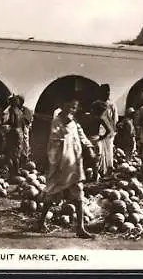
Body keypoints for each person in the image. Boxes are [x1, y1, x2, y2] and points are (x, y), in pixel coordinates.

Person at [37, 93, 96, 239]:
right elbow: (55, 140)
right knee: (51, 194)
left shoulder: (74, 122)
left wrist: (89, 147)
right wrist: (66, 125)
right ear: (63, 106)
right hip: (60, 165)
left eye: (74, 107)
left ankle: (80, 228)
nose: (71, 109)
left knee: (79, 194)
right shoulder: (57, 121)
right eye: (69, 106)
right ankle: (40, 222)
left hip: (74, 165)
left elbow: (81, 135)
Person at [80, 100, 112, 182]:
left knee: (85, 158)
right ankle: (94, 178)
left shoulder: (85, 117)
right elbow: (109, 131)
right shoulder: (101, 119)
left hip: (86, 140)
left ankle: (84, 177)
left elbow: (81, 128)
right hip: (96, 140)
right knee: (96, 161)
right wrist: (101, 137)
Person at [98, 84, 118, 174]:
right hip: (100, 131)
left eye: (108, 92)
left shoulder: (112, 104)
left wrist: (113, 130)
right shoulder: (98, 104)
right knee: (101, 150)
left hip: (110, 131)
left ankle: (109, 168)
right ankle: (102, 169)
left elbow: (115, 119)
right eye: (105, 92)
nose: (107, 94)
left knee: (109, 149)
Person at [4, 95, 25, 176]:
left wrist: (6, 124)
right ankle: (17, 170)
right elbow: (23, 124)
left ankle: (13, 172)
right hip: (20, 133)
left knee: (11, 152)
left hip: (14, 132)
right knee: (18, 152)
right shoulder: (20, 111)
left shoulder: (12, 110)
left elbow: (12, 122)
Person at [19, 96, 34, 166]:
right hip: (17, 131)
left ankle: (24, 161)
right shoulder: (14, 109)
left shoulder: (26, 110)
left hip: (24, 130)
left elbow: (27, 120)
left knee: (24, 145)